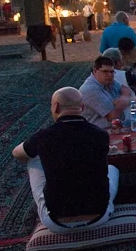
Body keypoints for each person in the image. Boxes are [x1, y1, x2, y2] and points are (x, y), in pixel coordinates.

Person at [11, 87, 119, 234]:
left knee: (32, 158)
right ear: (82, 107)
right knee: (112, 169)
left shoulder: (43, 136)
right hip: (100, 217)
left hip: (57, 222)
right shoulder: (100, 134)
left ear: (55, 107)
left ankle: (45, 201)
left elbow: (17, 153)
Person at [79, 56, 136, 128]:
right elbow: (113, 118)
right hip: (102, 131)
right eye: (105, 71)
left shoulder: (111, 83)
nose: (109, 75)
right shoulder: (90, 89)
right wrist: (125, 100)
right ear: (95, 71)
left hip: (122, 124)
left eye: (112, 72)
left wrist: (124, 100)